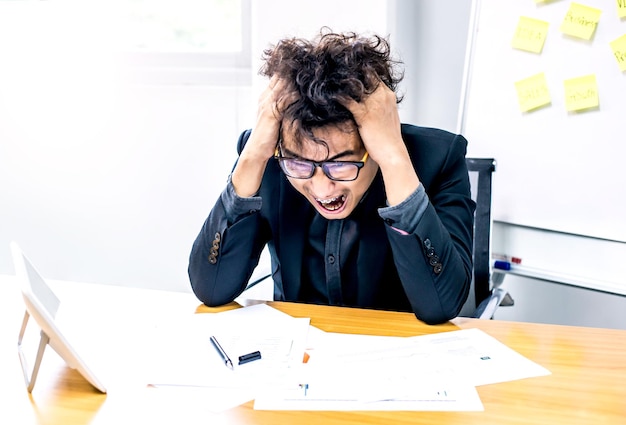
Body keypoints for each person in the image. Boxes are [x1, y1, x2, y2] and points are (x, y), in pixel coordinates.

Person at [188, 29, 475, 325]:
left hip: (398, 355)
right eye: (301, 165)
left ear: (373, 144)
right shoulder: (269, 157)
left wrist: (393, 159)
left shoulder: (440, 158)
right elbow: (211, 288)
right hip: (297, 357)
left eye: (341, 165)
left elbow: (440, 306)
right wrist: (252, 156)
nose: (322, 188)